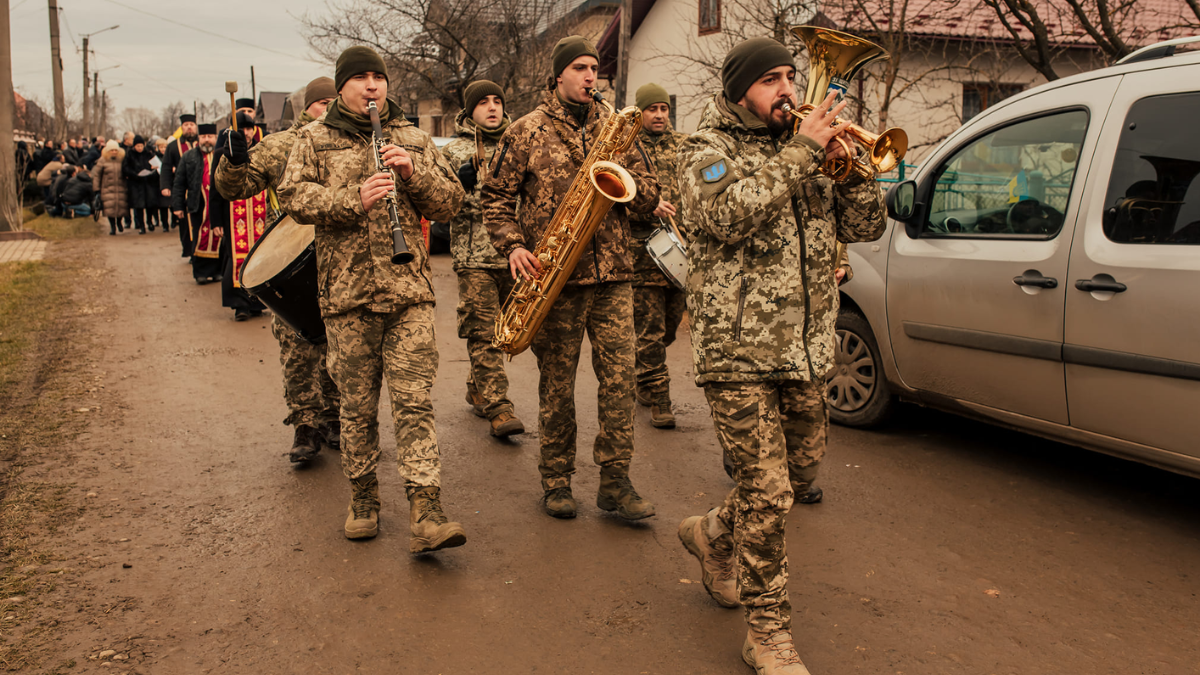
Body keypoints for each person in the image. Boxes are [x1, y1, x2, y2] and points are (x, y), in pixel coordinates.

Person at [674, 37, 887, 674]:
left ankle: (712, 533)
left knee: (791, 482)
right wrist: (802, 153)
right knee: (766, 492)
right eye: (771, 80)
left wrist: (852, 170)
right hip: (736, 350)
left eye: (792, 77)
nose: (789, 90)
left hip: (808, 347)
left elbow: (868, 227)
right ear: (741, 90)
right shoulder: (703, 149)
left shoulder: (810, 154)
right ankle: (767, 633)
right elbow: (724, 217)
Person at [277, 46, 468, 551]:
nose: (372, 86)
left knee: (414, 403)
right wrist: (349, 200)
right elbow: (292, 196)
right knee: (357, 409)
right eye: (360, 78)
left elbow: (451, 203)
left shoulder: (411, 137)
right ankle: (363, 498)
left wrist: (414, 174)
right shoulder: (314, 140)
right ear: (342, 87)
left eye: (378, 77)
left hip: (409, 295)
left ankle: (427, 510)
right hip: (347, 298)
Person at [481, 36, 660, 520]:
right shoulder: (524, 132)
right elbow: (494, 198)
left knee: (620, 382)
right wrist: (514, 245)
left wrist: (630, 160)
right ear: (557, 75)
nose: (589, 76)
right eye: (579, 67)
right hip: (556, 277)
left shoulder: (619, 129)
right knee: (557, 384)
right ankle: (556, 479)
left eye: (594, 68)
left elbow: (646, 201)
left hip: (615, 275)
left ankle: (616, 481)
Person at [215, 76, 341, 464]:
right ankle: (305, 425)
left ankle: (335, 415)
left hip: (341, 260)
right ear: (308, 107)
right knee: (297, 346)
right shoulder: (283, 144)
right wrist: (233, 161)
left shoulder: (353, 143)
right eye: (323, 104)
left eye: (335, 102)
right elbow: (236, 187)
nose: (329, 109)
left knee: (339, 343)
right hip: (290, 259)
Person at [440, 80, 526, 438]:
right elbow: (439, 207)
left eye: (497, 101)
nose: (492, 108)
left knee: (508, 332)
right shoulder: (453, 151)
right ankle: (499, 407)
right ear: (469, 110)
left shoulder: (520, 143)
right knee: (482, 330)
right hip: (474, 257)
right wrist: (456, 184)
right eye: (483, 103)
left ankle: (478, 386)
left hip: (516, 255)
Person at [627, 83, 689, 429]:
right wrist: (647, 209)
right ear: (640, 113)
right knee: (649, 331)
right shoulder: (628, 150)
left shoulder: (683, 146)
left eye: (664, 109)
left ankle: (644, 373)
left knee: (667, 330)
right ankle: (659, 397)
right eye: (652, 109)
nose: (660, 115)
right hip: (643, 254)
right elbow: (617, 201)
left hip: (679, 254)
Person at [209, 114, 269, 320]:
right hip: (233, 216)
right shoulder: (221, 154)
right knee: (234, 258)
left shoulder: (263, 150)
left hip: (260, 215)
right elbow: (215, 190)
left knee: (261, 256)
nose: (246, 133)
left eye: (249, 128)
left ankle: (257, 303)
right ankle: (239, 304)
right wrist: (215, 221)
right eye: (242, 129)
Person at [172, 124, 223, 283]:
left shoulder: (222, 155)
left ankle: (217, 272)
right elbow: (179, 182)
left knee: (219, 238)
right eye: (203, 137)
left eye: (210, 137)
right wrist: (178, 206)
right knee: (199, 237)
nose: (206, 140)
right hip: (198, 204)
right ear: (198, 138)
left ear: (215, 138)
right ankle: (200, 273)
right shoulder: (189, 156)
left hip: (217, 205)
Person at [163, 114, 199, 256]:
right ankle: (190, 251)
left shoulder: (203, 144)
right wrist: (165, 186)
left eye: (191, 124)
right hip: (183, 192)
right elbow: (166, 166)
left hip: (202, 191)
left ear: (195, 127)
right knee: (185, 225)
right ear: (182, 127)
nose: (189, 127)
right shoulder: (173, 146)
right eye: (186, 125)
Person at [122, 135, 158, 234]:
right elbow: (126, 168)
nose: (140, 148)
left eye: (141, 146)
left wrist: (152, 169)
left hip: (148, 182)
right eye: (138, 146)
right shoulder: (130, 155)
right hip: (136, 183)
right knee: (139, 206)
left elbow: (155, 165)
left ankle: (149, 222)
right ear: (134, 146)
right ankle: (141, 225)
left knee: (150, 204)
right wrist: (135, 174)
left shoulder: (148, 154)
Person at [93, 140, 129, 235]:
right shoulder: (102, 160)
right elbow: (97, 176)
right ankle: (113, 227)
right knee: (110, 209)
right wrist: (96, 189)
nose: (114, 152)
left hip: (121, 187)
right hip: (107, 188)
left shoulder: (122, 159)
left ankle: (119, 222)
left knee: (122, 207)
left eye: (115, 150)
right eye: (112, 150)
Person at [152, 138, 173, 232]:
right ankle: (165, 224)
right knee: (163, 206)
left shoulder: (170, 157)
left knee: (173, 204)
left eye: (165, 147)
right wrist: (153, 170)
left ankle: (174, 220)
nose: (163, 149)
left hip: (171, 182)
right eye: (161, 147)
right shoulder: (154, 158)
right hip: (159, 184)